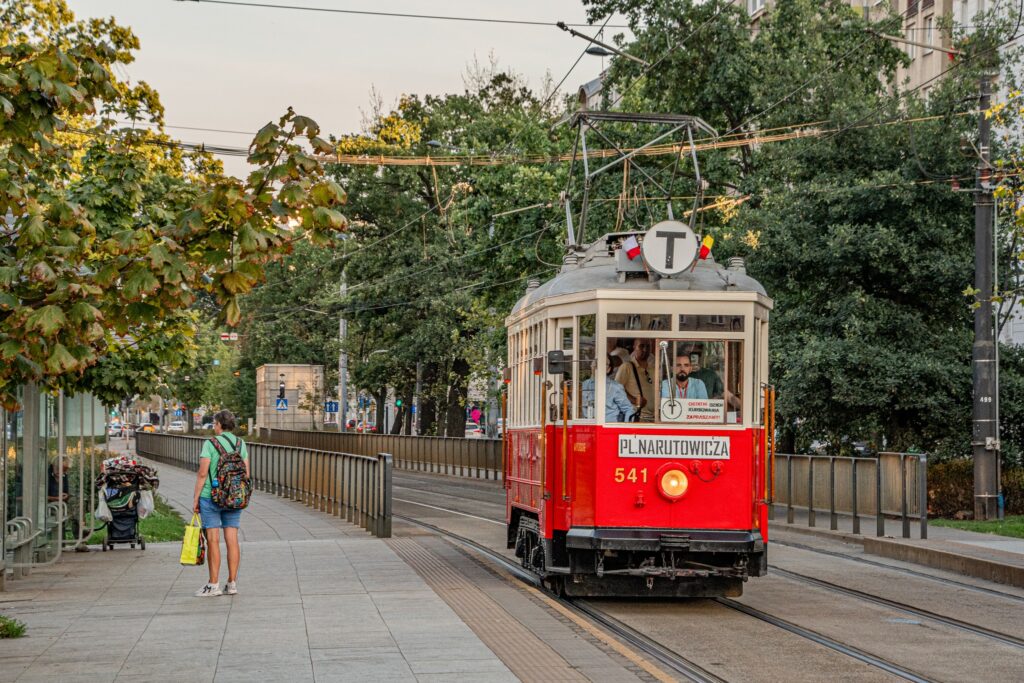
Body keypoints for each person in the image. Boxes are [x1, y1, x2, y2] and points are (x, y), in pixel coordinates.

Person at [192, 410, 249, 597]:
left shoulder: (210, 444)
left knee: (213, 540)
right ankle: (232, 583)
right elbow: (246, 474)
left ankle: (213, 585)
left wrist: (196, 498)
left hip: (211, 496)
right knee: (232, 539)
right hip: (234, 497)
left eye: (215, 423)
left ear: (218, 424)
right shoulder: (241, 444)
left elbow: (202, 473)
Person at [581, 357, 636, 422]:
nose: (598, 365)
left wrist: (625, 429)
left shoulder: (615, 387)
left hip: (608, 428)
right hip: (588, 427)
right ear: (591, 366)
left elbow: (628, 409)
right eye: (596, 362)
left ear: (608, 369)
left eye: (604, 363)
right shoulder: (583, 385)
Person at [614, 340, 655, 421]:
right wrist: (634, 400)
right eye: (641, 346)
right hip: (636, 417)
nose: (645, 349)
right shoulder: (627, 367)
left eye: (648, 346)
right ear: (634, 347)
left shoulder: (653, 369)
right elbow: (615, 390)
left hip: (652, 418)